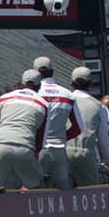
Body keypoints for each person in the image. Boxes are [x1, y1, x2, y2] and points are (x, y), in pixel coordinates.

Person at [0, 70, 49, 194]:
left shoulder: (5, 97)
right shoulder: (44, 104)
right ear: (39, 86)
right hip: (26, 149)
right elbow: (41, 138)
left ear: (22, 82)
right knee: (37, 189)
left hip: (1, 146)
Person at [33, 56, 82, 189]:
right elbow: (78, 128)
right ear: (52, 72)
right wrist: (62, 137)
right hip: (59, 149)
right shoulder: (68, 94)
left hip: (37, 149)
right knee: (64, 192)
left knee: (34, 190)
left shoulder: (33, 95)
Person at [67, 67, 109, 185]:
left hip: (64, 154)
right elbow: (103, 140)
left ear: (72, 83)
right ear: (90, 83)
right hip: (86, 155)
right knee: (89, 195)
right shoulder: (99, 106)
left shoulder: (65, 101)